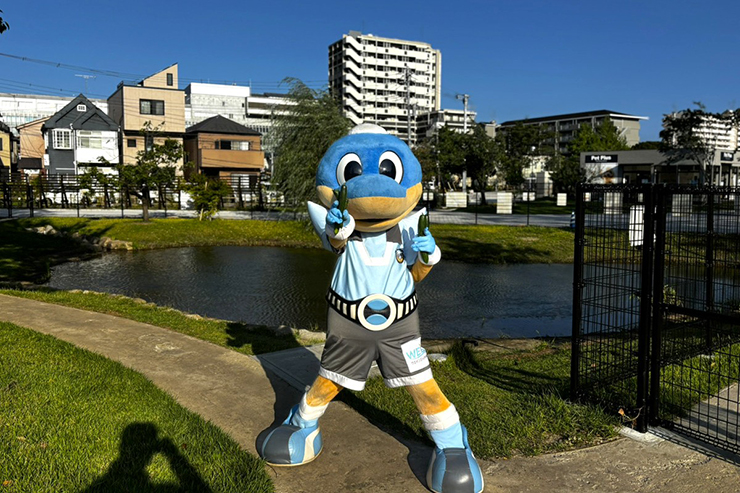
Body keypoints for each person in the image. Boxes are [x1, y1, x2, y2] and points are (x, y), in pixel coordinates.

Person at [260, 124, 483, 493]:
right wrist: (338, 227)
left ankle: (453, 442)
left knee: (421, 383)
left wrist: (427, 254)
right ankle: (302, 424)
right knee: (330, 379)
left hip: (399, 323)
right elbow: (335, 240)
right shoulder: (340, 228)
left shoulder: (410, 228)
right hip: (348, 322)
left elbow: (416, 275)